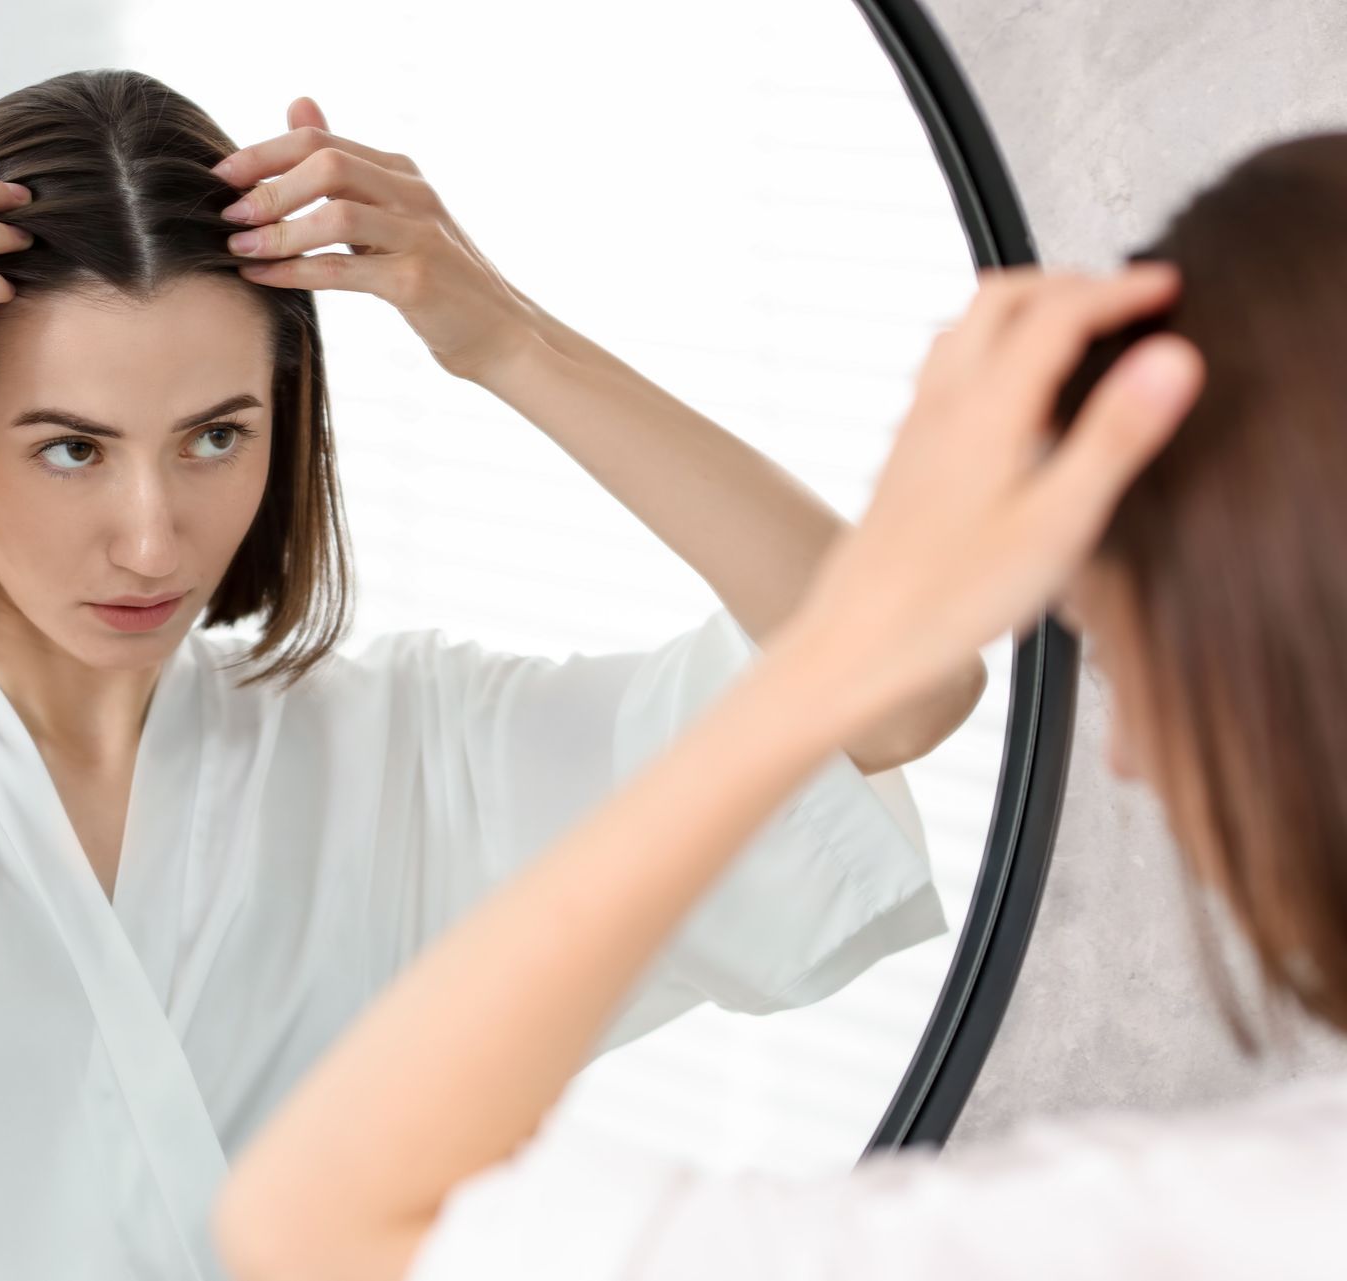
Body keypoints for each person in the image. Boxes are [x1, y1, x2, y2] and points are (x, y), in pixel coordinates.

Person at [0, 70, 982, 1281]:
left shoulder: (409, 752)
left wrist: (505, 338)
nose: (152, 535)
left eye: (217, 434)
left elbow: (899, 679)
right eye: (71, 447)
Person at [210, 130, 1347, 1281]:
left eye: (1120, 658)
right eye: (68, 447)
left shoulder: (1224, 1222)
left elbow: (317, 1226)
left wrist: (516, 342)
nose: (1131, 759)